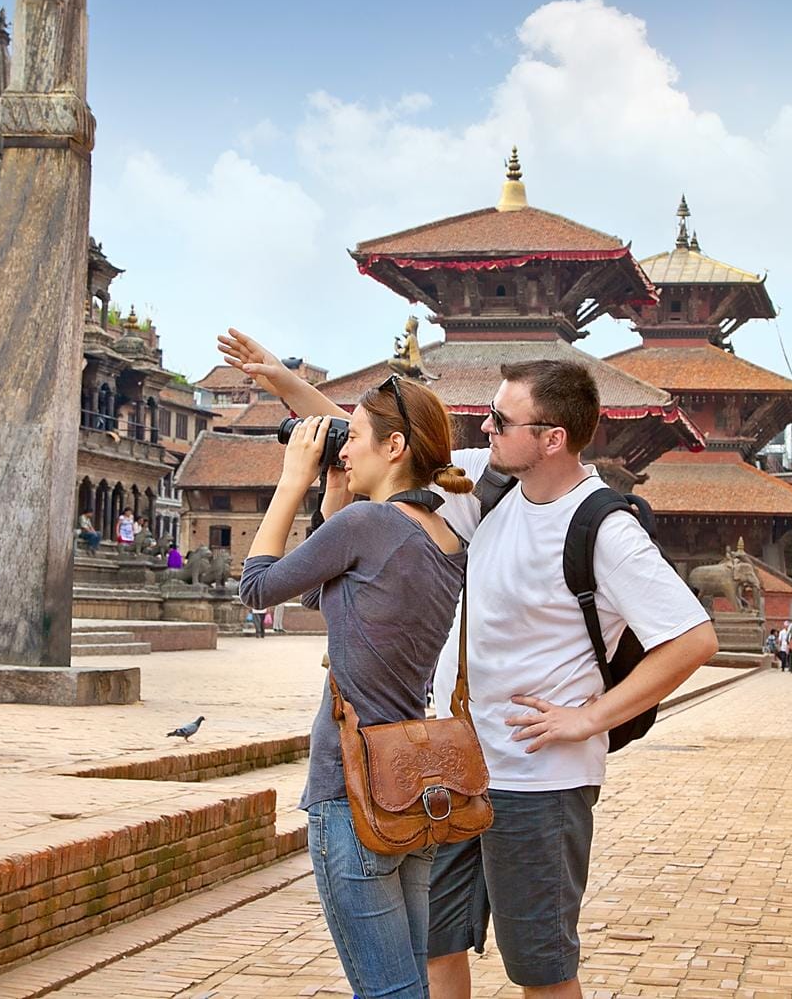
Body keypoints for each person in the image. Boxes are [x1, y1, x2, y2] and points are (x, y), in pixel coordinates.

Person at [220, 331, 717, 999]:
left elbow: (693, 639)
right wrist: (280, 378)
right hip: (455, 767)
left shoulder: (603, 527)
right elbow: (372, 439)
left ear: (554, 438)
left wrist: (589, 718)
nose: (484, 426)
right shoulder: (484, 490)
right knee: (436, 949)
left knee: (540, 969)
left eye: (501, 420)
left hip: (541, 781)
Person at [236, 378, 471, 998]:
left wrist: (292, 478)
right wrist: (333, 497)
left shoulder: (368, 524)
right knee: (408, 983)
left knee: (387, 992)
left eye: (355, 437)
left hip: (351, 788)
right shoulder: (446, 539)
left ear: (394, 447)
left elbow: (258, 589)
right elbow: (327, 593)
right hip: (413, 786)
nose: (344, 449)